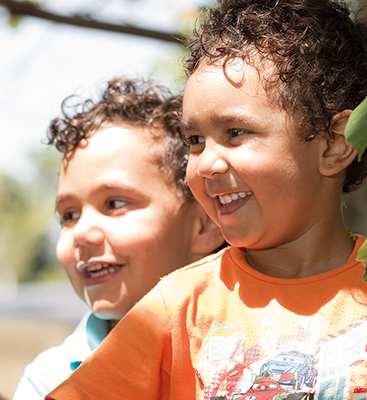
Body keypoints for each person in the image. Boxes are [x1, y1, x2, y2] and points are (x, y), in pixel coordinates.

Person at [46, 1, 367, 399]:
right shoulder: (176, 307)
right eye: (195, 140)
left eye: (235, 132)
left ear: (335, 144)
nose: (207, 164)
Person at [13, 77, 225, 400]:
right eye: (69, 215)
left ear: (204, 226)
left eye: (114, 204)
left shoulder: (242, 353)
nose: (81, 233)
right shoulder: (50, 382)